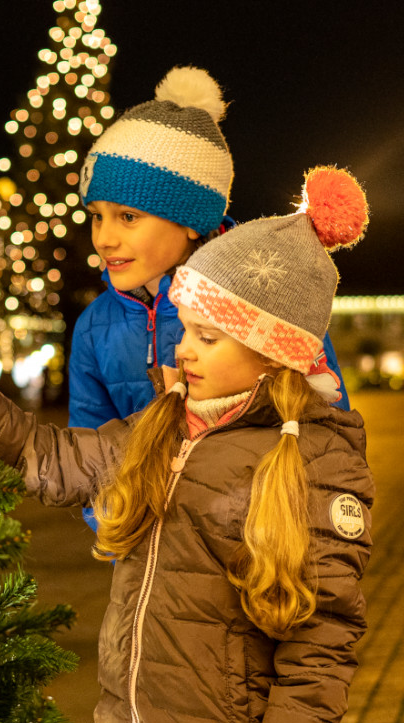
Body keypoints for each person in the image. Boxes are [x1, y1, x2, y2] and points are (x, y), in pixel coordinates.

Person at [0, 168, 374, 723]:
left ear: (273, 355)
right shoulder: (164, 425)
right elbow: (56, 457)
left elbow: (325, 634)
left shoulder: (313, 460)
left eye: (209, 335)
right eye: (186, 330)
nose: (186, 349)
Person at [69, 66, 350, 445]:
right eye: (97, 216)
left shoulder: (266, 301)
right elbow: (85, 454)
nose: (104, 238)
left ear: (190, 219)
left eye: (128, 217)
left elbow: (329, 434)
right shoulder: (93, 327)